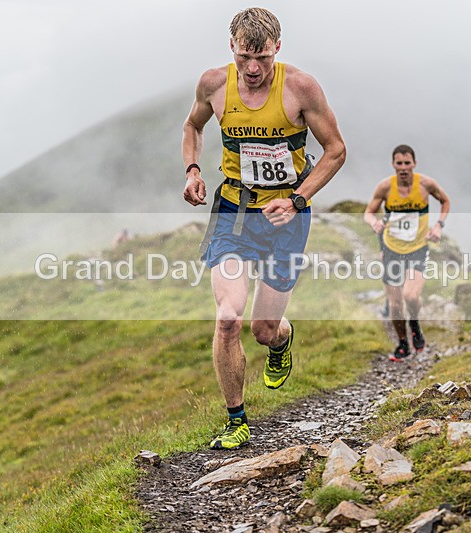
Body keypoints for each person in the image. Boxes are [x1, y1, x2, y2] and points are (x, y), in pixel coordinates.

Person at [182, 8, 346, 449]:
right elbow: (192, 125)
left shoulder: (301, 88)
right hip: (234, 212)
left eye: (262, 59)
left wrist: (297, 200)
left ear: (277, 48)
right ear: (231, 48)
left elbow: (335, 150)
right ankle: (236, 421)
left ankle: (279, 343)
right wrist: (193, 171)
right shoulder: (214, 84)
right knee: (229, 317)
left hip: (285, 219)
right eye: (243, 58)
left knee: (263, 329)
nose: (252, 69)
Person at [364, 145, 450, 361]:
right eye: (399, 163)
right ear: (393, 164)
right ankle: (403, 344)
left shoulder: (425, 184)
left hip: (417, 249)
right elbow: (368, 213)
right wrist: (374, 222)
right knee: (394, 305)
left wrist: (438, 225)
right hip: (391, 249)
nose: (403, 168)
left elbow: (445, 201)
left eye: (407, 163)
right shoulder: (385, 187)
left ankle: (415, 324)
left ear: (414, 163)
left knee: (411, 296)